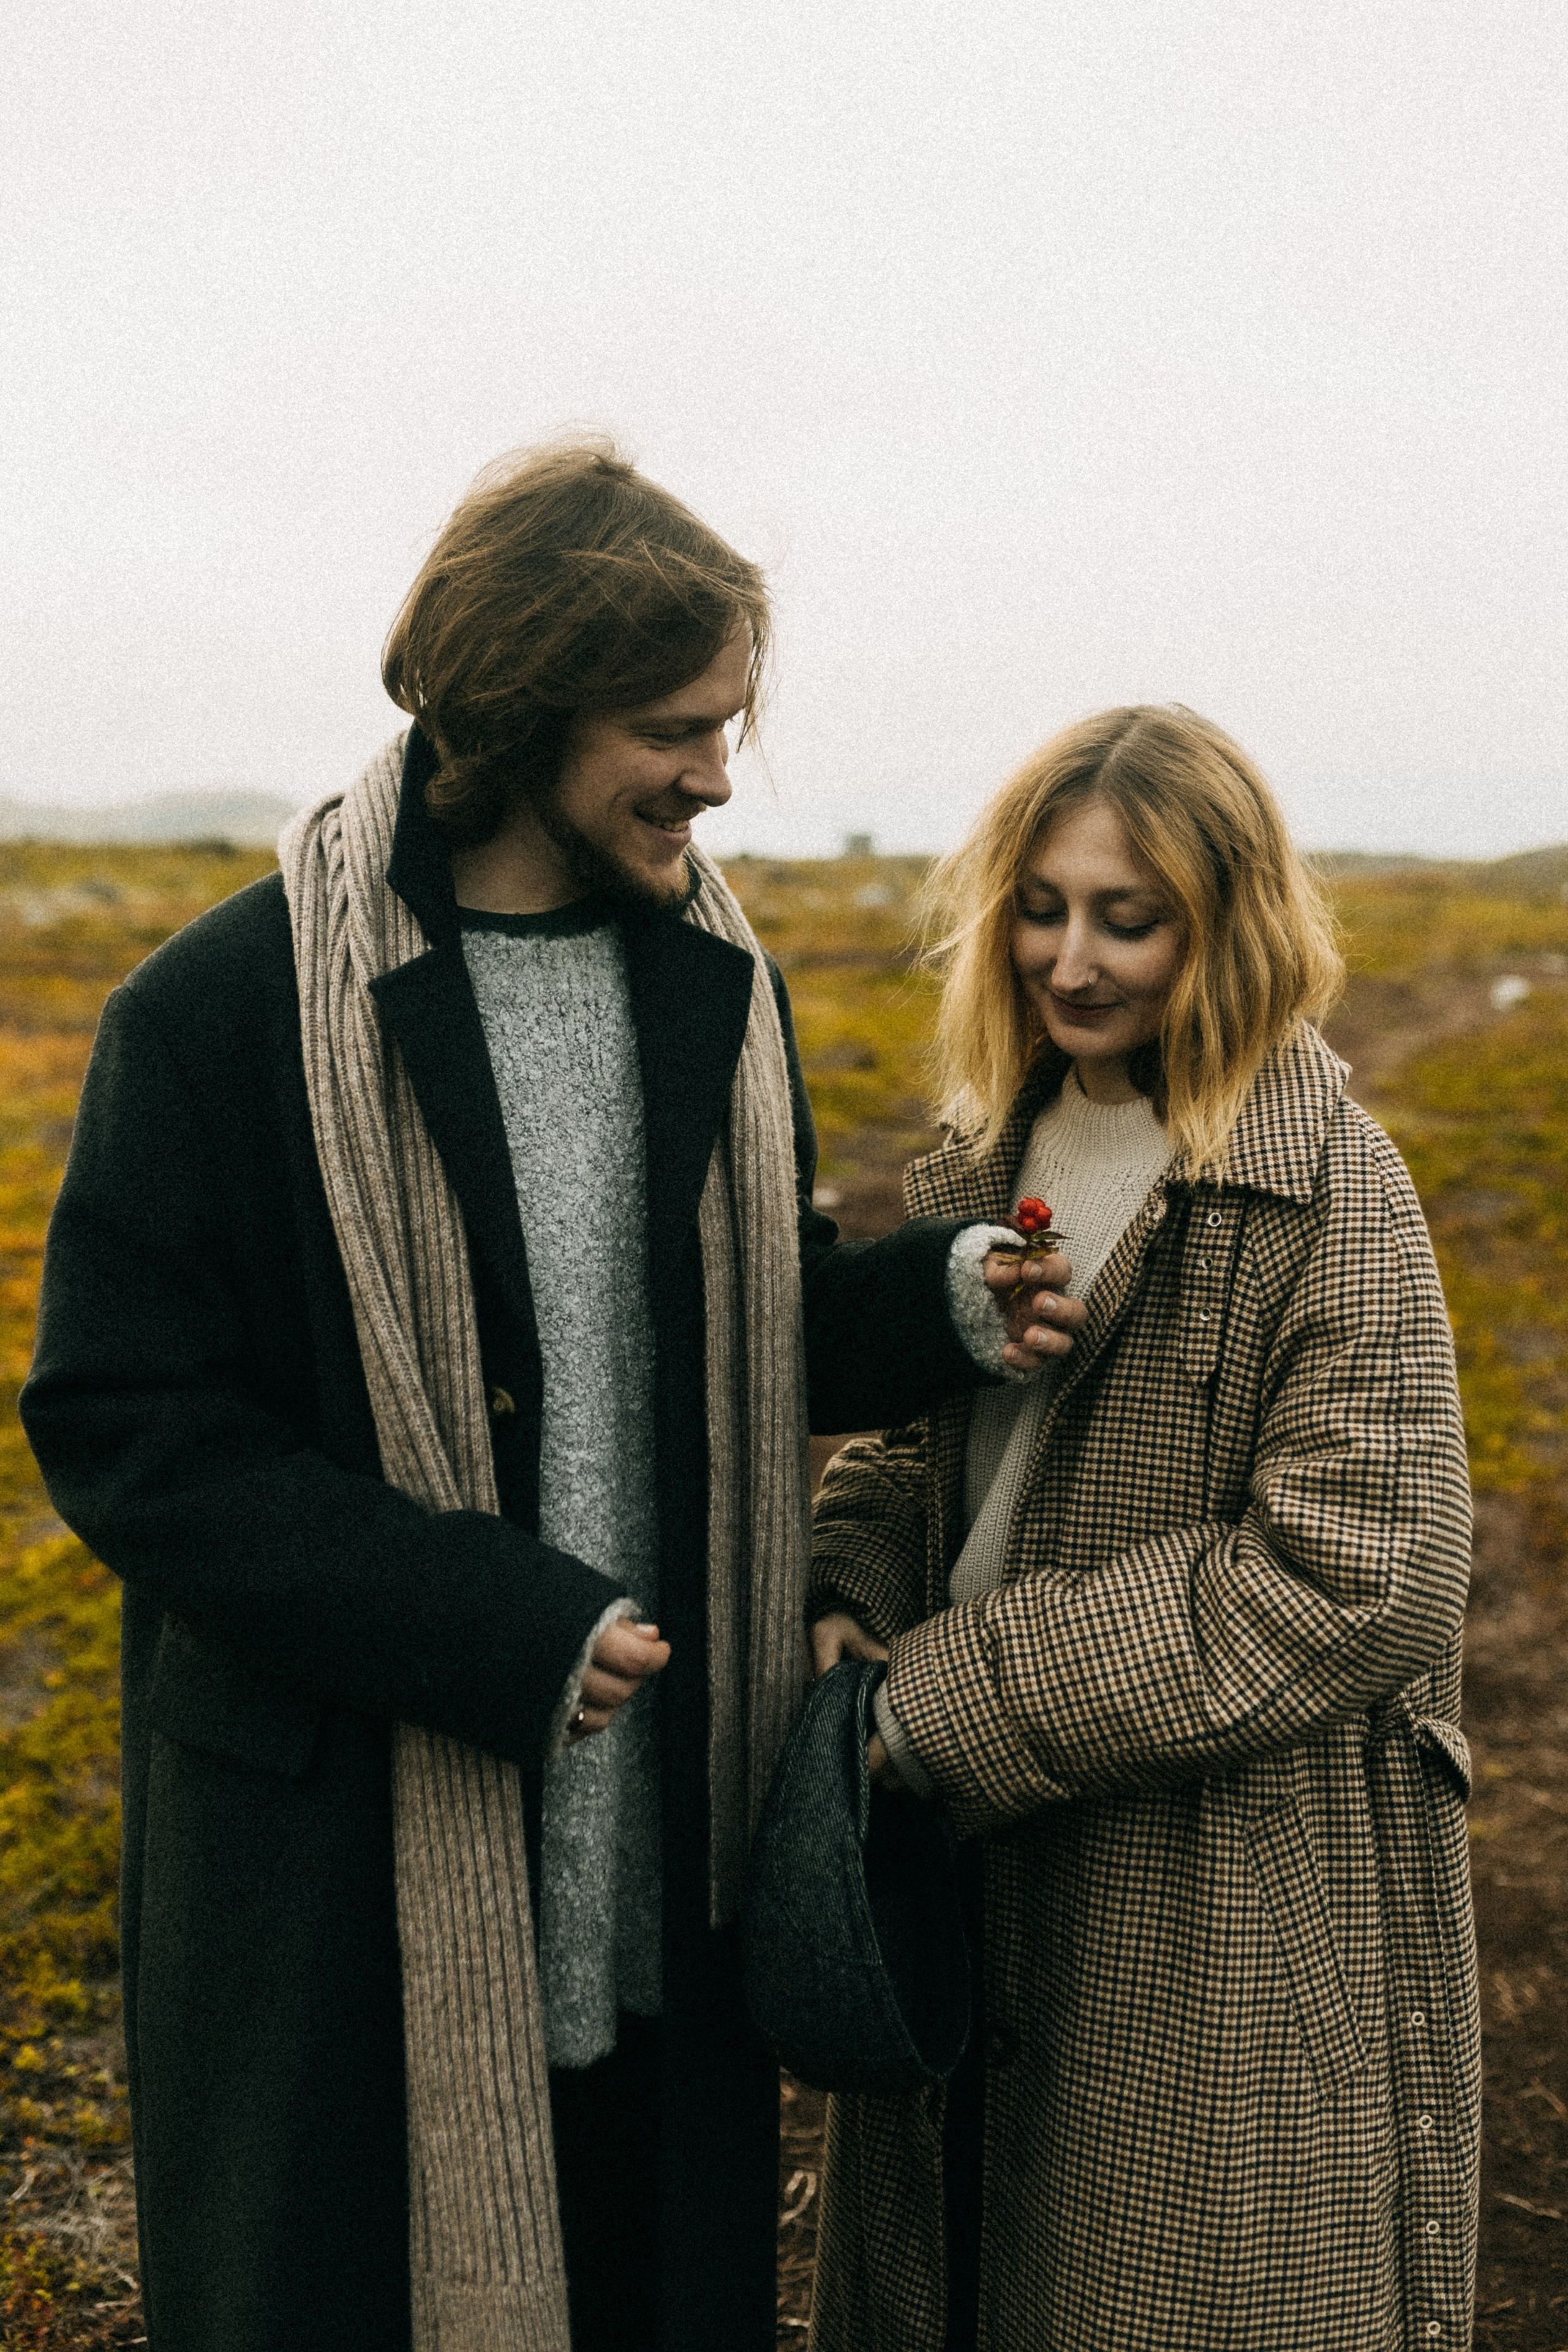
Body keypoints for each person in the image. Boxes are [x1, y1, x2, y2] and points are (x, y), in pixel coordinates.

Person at [18, 442, 1087, 2352]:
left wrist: (933, 1305)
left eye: (730, 725)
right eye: (675, 728)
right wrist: (485, 1620)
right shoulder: (218, 1014)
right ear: (519, 705)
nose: (716, 776)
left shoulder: (717, 987)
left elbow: (731, 1336)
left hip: (652, 1863)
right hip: (354, 1869)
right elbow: (129, 1428)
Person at [807, 705, 1479, 2352]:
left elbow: (1355, 1578)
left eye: (1131, 917)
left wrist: (938, 1709)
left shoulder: (1332, 1188)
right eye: (1042, 906)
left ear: (1229, 926)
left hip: (1212, 1879)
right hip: (963, 1849)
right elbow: (918, 1446)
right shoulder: (985, 1150)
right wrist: (846, 1586)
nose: (1073, 960)